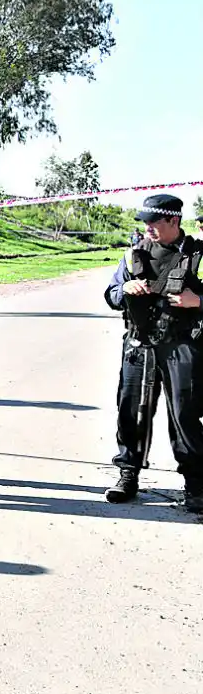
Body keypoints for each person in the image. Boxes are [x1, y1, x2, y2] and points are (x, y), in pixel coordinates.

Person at [101, 193, 203, 510]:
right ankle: (128, 474)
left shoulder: (199, 255)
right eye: (144, 222)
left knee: (184, 413)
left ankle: (196, 484)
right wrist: (124, 289)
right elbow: (111, 293)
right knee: (131, 409)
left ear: (174, 220)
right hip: (139, 343)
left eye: (153, 222)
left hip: (182, 344)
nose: (147, 228)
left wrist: (198, 301)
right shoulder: (135, 254)